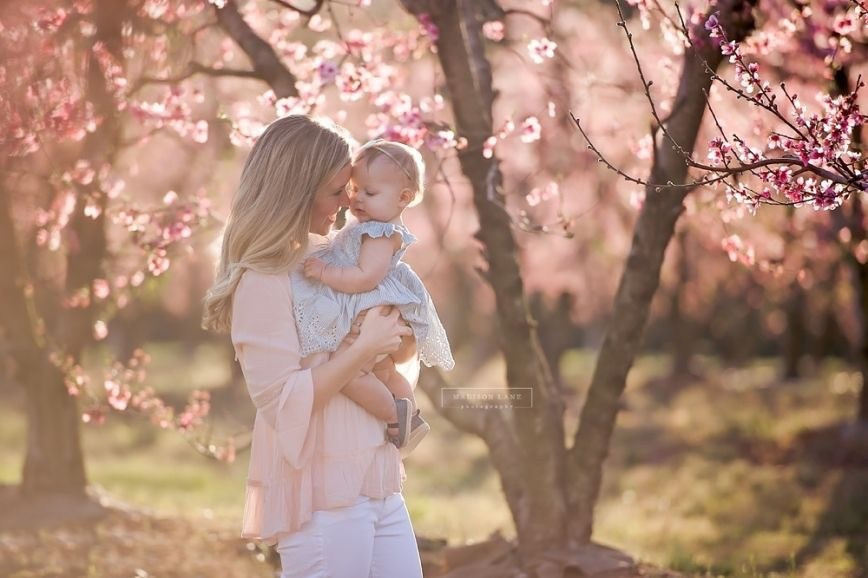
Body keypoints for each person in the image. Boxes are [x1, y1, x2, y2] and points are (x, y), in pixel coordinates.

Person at [202, 115, 424, 578]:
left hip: (378, 482)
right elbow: (283, 402)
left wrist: (395, 336)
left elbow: (393, 349)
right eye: (335, 189)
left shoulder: (334, 260)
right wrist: (362, 351)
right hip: (322, 498)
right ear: (296, 191)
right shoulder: (262, 281)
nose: (348, 201)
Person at [292, 139, 454, 455]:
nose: (356, 199)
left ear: (403, 198)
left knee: (347, 372)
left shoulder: (381, 233)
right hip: (368, 307)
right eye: (355, 190)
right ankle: (411, 416)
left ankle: (396, 415)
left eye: (370, 193)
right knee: (383, 372)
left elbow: (366, 277)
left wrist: (325, 273)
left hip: (370, 308)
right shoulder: (369, 225)